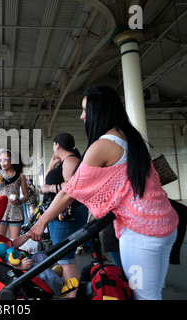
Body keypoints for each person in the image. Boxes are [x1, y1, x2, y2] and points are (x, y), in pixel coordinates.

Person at [29, 86, 179, 300]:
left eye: (84, 110)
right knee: (154, 293)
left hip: (141, 232)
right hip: (165, 223)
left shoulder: (102, 145)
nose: (82, 117)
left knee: (143, 296)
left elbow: (69, 192)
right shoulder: (131, 135)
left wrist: (41, 222)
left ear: (99, 111)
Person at [38, 132, 88, 297]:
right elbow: (47, 182)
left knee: (65, 259)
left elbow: (71, 188)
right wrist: (52, 165)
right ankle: (72, 293)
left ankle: (72, 295)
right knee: (64, 257)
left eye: (53, 145)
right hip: (60, 215)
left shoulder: (70, 160)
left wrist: (49, 189)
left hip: (67, 215)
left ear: (57, 145)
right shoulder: (64, 162)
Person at [0, 148, 28, 239]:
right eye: (0, 160)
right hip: (1, 212)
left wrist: (20, 201)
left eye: (5, 160)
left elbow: (26, 195)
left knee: (14, 243)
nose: (2, 163)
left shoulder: (20, 176)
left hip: (15, 213)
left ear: (13, 160)